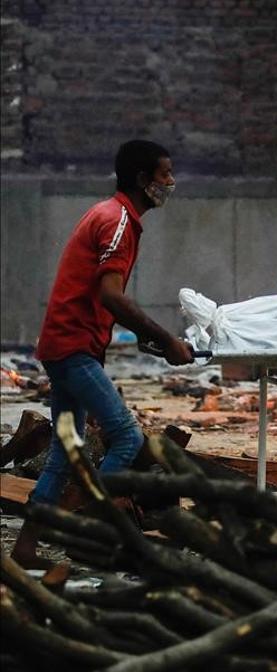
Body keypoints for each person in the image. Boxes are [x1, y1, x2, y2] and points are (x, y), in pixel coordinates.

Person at [12, 140, 194, 568]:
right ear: (142, 180)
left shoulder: (108, 215)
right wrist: (167, 338)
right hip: (72, 348)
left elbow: (100, 301)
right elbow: (111, 296)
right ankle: (94, 533)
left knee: (64, 450)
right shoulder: (117, 222)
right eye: (165, 175)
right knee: (127, 436)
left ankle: (25, 546)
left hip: (69, 346)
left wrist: (145, 340)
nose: (170, 183)